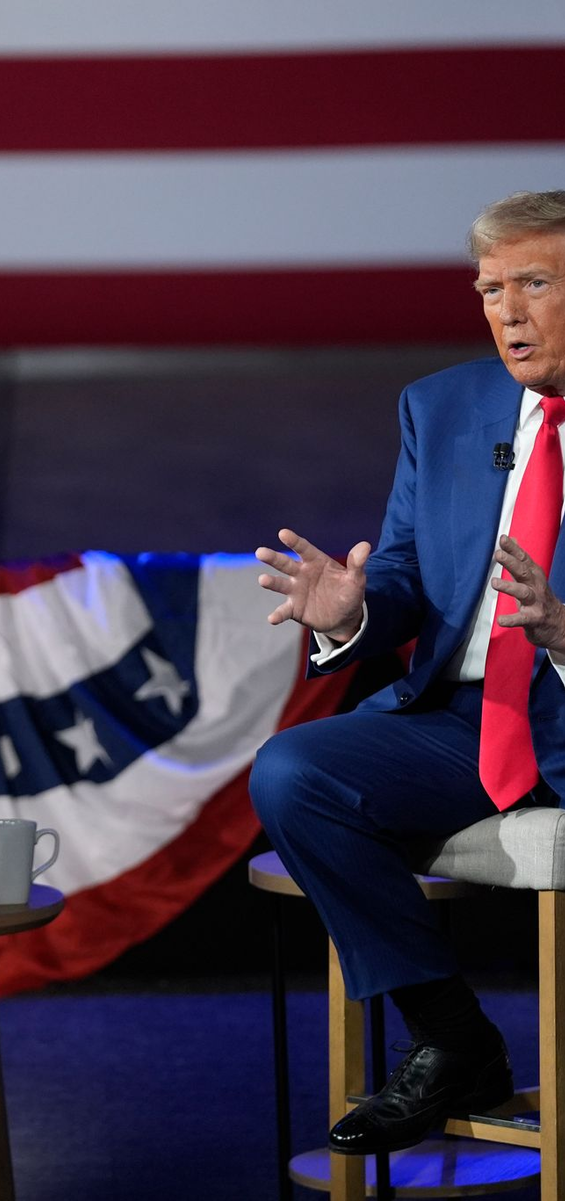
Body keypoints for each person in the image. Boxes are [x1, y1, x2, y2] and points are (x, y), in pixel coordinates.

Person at [251, 188, 565, 1156]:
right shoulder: (444, 405)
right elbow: (401, 573)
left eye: (534, 284)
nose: (507, 312)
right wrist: (355, 612)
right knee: (296, 772)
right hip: (467, 718)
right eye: (490, 290)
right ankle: (451, 1037)